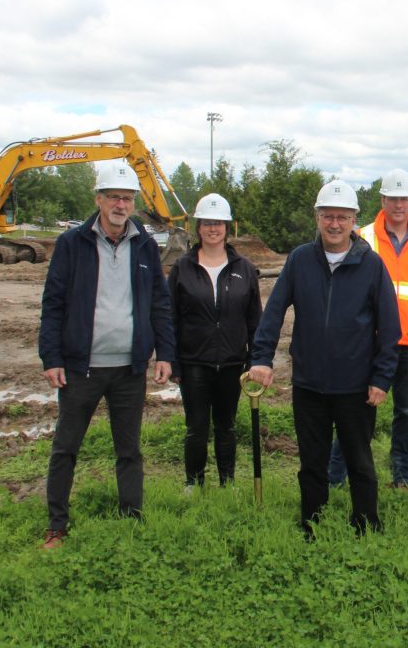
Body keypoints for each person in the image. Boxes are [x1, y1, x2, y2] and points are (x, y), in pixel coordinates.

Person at [248, 179, 400, 538]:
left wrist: (381, 379)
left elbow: (390, 328)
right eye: (328, 216)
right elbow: (273, 311)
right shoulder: (300, 260)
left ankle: (366, 522)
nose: (334, 224)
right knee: (311, 461)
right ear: (317, 218)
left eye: (342, 217)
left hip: (355, 387)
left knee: (360, 460)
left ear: (354, 221)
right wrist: (262, 358)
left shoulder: (372, 265)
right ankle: (310, 521)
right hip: (309, 384)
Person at [38, 161, 175, 549]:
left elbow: (159, 304)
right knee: (66, 448)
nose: (120, 204)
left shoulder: (145, 245)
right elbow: (53, 303)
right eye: (113, 196)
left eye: (127, 198)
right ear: (98, 199)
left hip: (128, 369)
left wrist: (165, 352)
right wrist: (52, 358)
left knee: (129, 450)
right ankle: (56, 526)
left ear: (134, 203)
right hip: (82, 368)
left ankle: (131, 520)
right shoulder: (72, 244)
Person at [328, 168, 408, 489]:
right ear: (382, 200)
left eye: (404, 198)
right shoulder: (361, 238)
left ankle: (402, 476)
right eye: (392, 198)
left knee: (405, 412)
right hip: (369, 343)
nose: (398, 205)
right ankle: (336, 476)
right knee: (356, 412)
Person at [168, 193, 261, 488]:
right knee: (196, 428)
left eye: (218, 223)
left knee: (226, 427)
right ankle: (193, 483)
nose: (213, 228)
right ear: (198, 227)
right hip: (194, 362)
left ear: (226, 227)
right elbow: (170, 317)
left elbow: (254, 318)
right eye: (207, 223)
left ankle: (227, 482)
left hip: (232, 362)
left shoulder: (244, 268)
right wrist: (172, 361)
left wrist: (255, 358)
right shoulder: (183, 268)